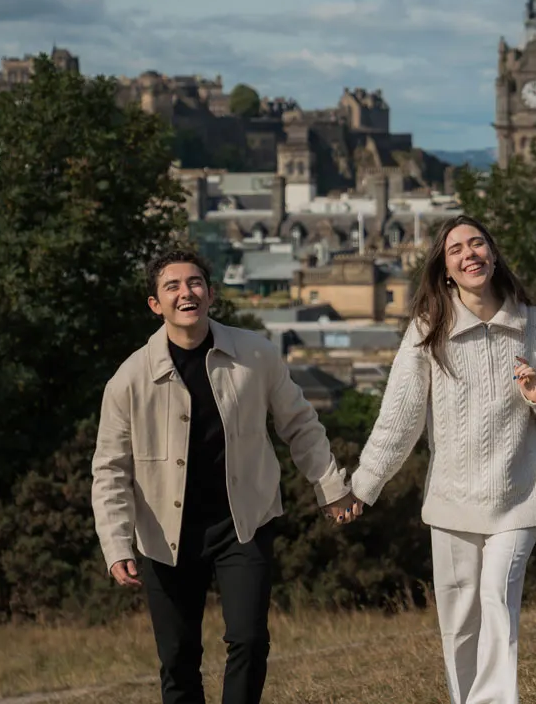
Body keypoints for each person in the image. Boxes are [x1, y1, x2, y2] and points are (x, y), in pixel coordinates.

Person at [92, 244, 362, 704]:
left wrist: (331, 487)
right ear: (155, 305)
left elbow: (299, 423)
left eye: (194, 282)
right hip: (164, 532)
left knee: (250, 640)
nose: (185, 293)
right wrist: (117, 543)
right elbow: (111, 469)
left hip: (244, 521)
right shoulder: (128, 379)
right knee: (178, 659)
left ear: (211, 293)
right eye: (171, 286)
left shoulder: (255, 355)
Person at [347, 215, 536, 704]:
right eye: (457, 249)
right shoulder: (428, 330)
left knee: (497, 596)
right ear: (446, 269)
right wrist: (364, 486)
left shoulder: (533, 322)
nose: (470, 253)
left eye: (478, 244)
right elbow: (399, 420)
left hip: (520, 492)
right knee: (458, 618)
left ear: (493, 256)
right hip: (453, 498)